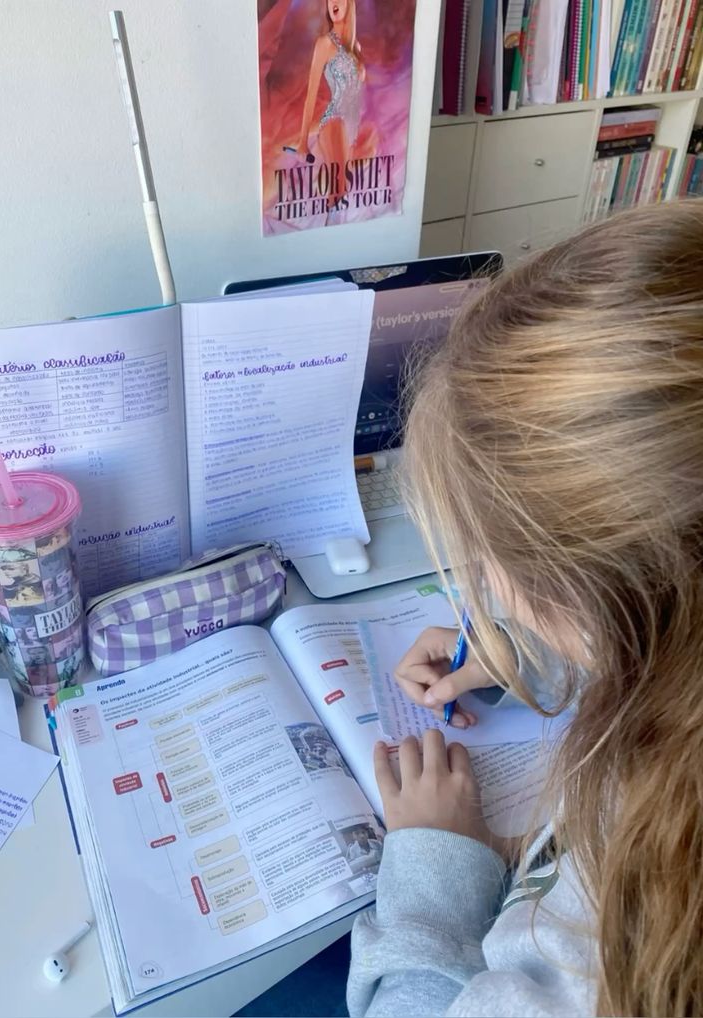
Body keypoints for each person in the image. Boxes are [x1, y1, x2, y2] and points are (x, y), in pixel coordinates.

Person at [347, 200, 703, 1018]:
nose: (484, 587)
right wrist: (528, 654)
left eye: (485, 560)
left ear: (594, 591)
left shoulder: (636, 918)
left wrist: (436, 870)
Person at [294, 0, 365, 210]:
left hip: (351, 128)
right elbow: (311, 95)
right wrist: (302, 141)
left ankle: (330, 224)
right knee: (339, 185)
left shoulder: (356, 48)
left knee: (341, 192)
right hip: (334, 121)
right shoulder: (324, 44)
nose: (332, 2)